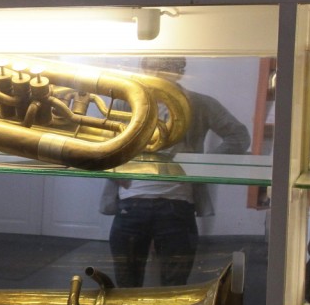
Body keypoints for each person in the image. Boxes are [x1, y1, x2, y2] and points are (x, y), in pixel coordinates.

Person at [99, 56, 251, 287]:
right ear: (143, 69)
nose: (157, 73)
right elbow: (100, 143)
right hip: (132, 204)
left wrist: (202, 165)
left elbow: (239, 136)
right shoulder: (125, 102)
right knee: (126, 286)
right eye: (152, 67)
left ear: (179, 72)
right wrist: (114, 170)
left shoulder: (198, 103)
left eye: (165, 68)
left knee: (174, 288)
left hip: (176, 205)